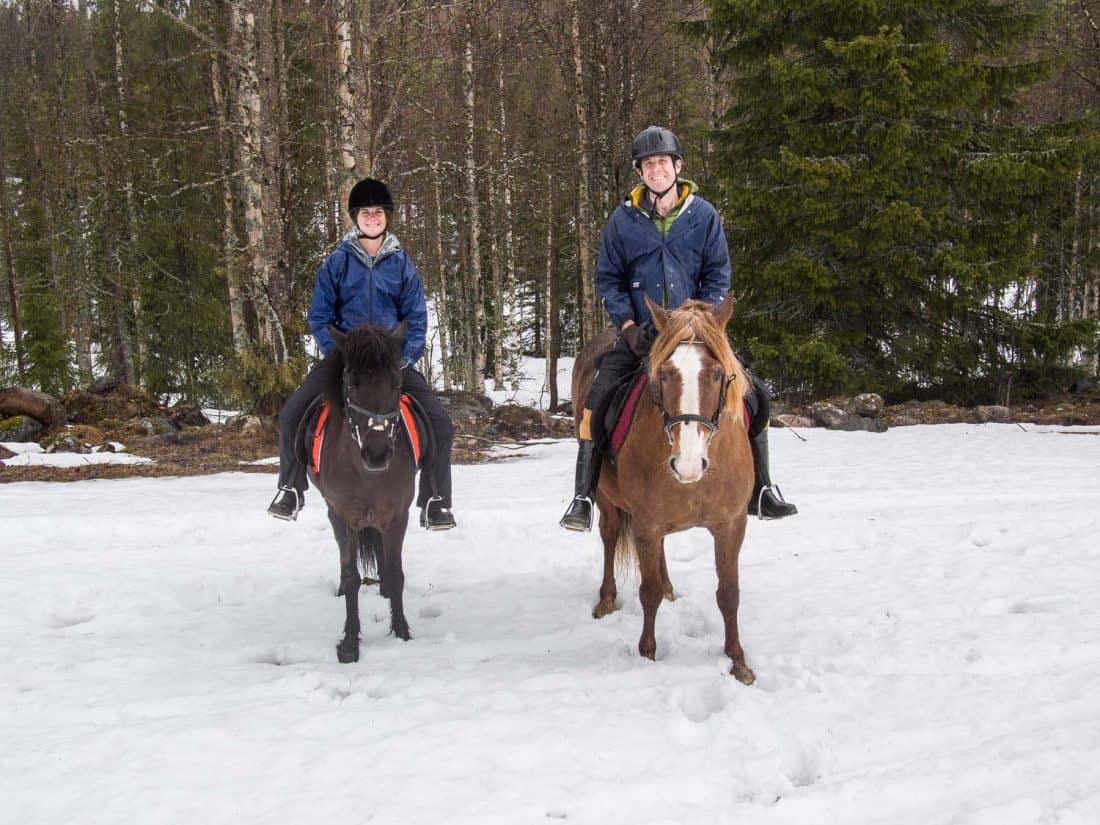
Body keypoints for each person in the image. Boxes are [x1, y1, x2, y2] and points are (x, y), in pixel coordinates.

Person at [559, 126, 797, 532]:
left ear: (678, 167)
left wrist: (700, 319)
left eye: (662, 163)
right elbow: (609, 280)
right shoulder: (622, 220)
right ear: (640, 172)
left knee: (756, 396)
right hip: (643, 336)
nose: (656, 170)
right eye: (648, 164)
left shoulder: (704, 216)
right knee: (595, 400)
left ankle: (762, 488)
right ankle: (583, 495)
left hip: (698, 333)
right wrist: (631, 327)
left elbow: (718, 272)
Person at [267, 177, 456, 531]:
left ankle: (434, 500)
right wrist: (337, 353)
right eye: (366, 212)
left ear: (388, 217)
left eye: (378, 212)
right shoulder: (336, 263)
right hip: (346, 359)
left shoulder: (402, 265)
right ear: (356, 217)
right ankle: (290, 488)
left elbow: (416, 317)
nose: (372, 217)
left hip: (390, 362)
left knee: (441, 426)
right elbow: (320, 317)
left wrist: (404, 356)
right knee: (293, 414)